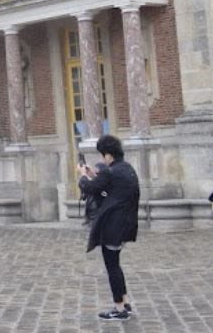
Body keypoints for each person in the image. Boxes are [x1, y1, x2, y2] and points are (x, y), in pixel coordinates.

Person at [80, 134, 140, 321]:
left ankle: (119, 308)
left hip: (113, 226)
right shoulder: (127, 169)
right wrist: (93, 176)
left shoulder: (109, 171)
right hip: (126, 224)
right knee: (116, 265)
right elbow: (107, 188)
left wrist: (83, 177)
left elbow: (90, 189)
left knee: (112, 267)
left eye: (102, 155)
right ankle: (125, 302)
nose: (102, 159)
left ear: (108, 155)